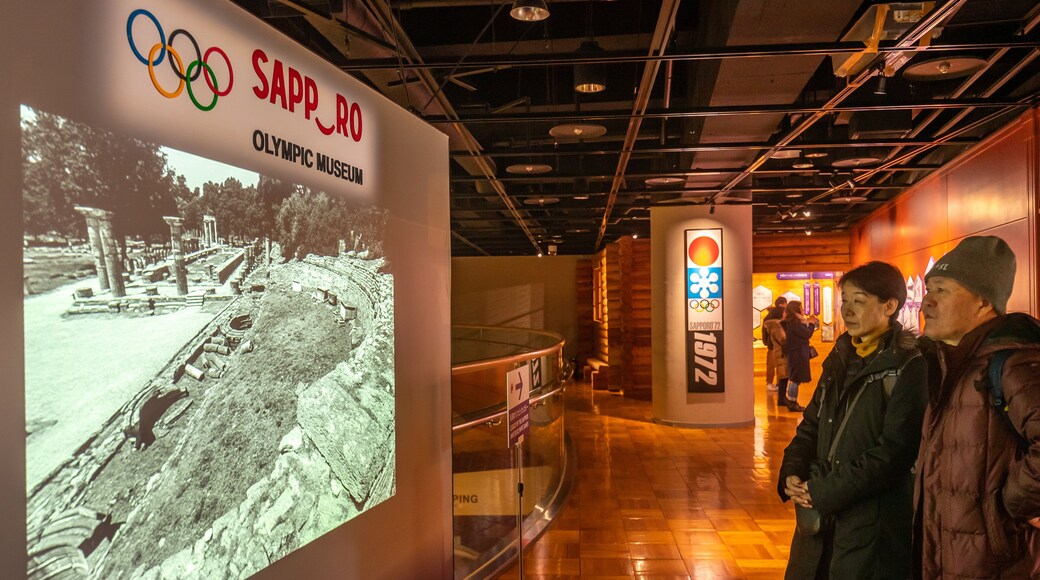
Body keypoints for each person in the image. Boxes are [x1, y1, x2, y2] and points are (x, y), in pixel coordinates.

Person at [779, 261, 927, 579]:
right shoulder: (842, 354)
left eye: (858, 301)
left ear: (890, 305)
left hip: (871, 525)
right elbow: (811, 424)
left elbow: (893, 454)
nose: (847, 309)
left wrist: (824, 490)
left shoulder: (910, 365)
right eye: (844, 299)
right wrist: (792, 471)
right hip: (819, 520)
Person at [915, 235, 1040, 578]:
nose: (927, 302)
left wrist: (1011, 504)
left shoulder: (1012, 363)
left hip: (997, 564)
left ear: (983, 301)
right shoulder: (951, 363)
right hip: (951, 558)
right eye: (928, 290)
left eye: (942, 290)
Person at [781, 300, 818, 412]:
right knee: (795, 379)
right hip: (797, 354)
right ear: (796, 309)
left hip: (796, 353)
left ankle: (792, 401)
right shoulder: (794, 323)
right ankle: (792, 403)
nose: (802, 310)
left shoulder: (793, 322)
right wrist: (811, 323)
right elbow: (806, 334)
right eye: (801, 308)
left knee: (795, 378)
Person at [763, 305, 791, 408]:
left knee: (782, 372)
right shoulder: (776, 325)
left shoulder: (773, 323)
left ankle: (781, 395)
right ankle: (781, 396)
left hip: (776, 349)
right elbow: (782, 339)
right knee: (781, 371)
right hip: (778, 350)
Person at [765, 296, 789, 392]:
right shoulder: (781, 316)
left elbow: (764, 334)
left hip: (771, 345)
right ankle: (776, 383)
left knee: (773, 364)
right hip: (777, 345)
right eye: (785, 303)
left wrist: (767, 342)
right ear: (782, 304)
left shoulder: (768, 316)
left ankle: (771, 383)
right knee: (779, 365)